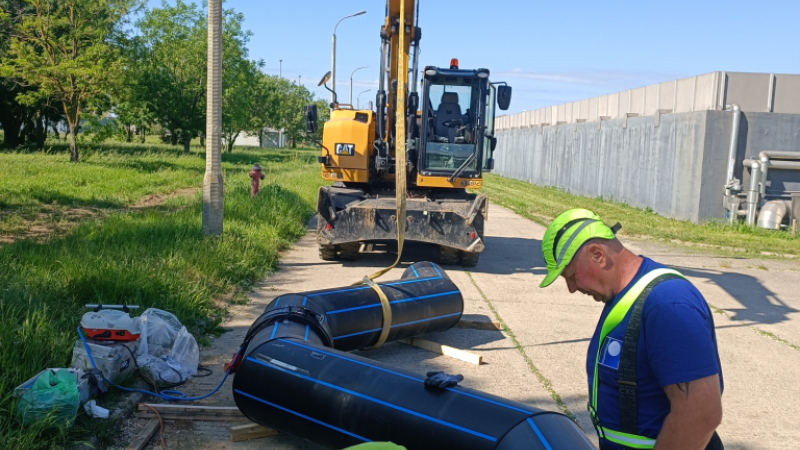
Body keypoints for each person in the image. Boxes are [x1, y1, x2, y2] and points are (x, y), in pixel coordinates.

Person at [539, 208, 724, 450]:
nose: (572, 289)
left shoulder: (667, 303)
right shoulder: (627, 297)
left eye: (571, 276)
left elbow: (700, 415)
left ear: (597, 254)